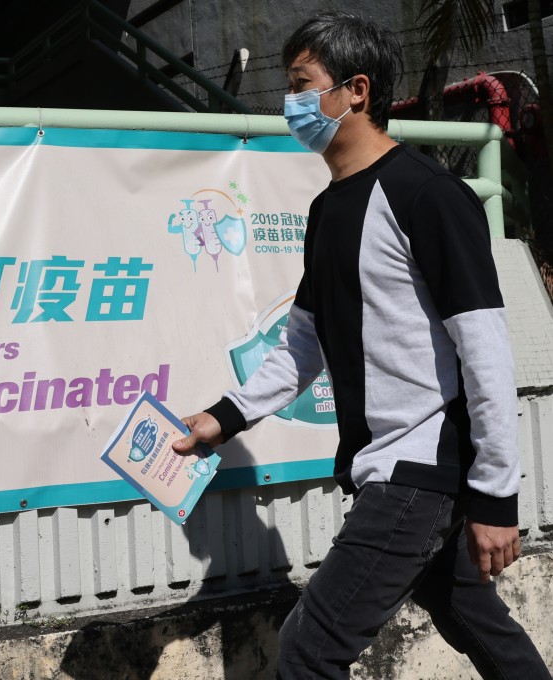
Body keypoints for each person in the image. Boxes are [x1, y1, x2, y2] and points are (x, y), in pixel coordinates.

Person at [171, 12, 551, 680]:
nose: (287, 103)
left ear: (357, 91)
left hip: (417, 474)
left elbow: (486, 351)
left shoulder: (428, 197)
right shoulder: (330, 210)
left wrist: (496, 496)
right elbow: (302, 344)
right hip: (392, 472)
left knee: (309, 650)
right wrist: (221, 418)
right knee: (476, 623)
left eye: (300, 83)